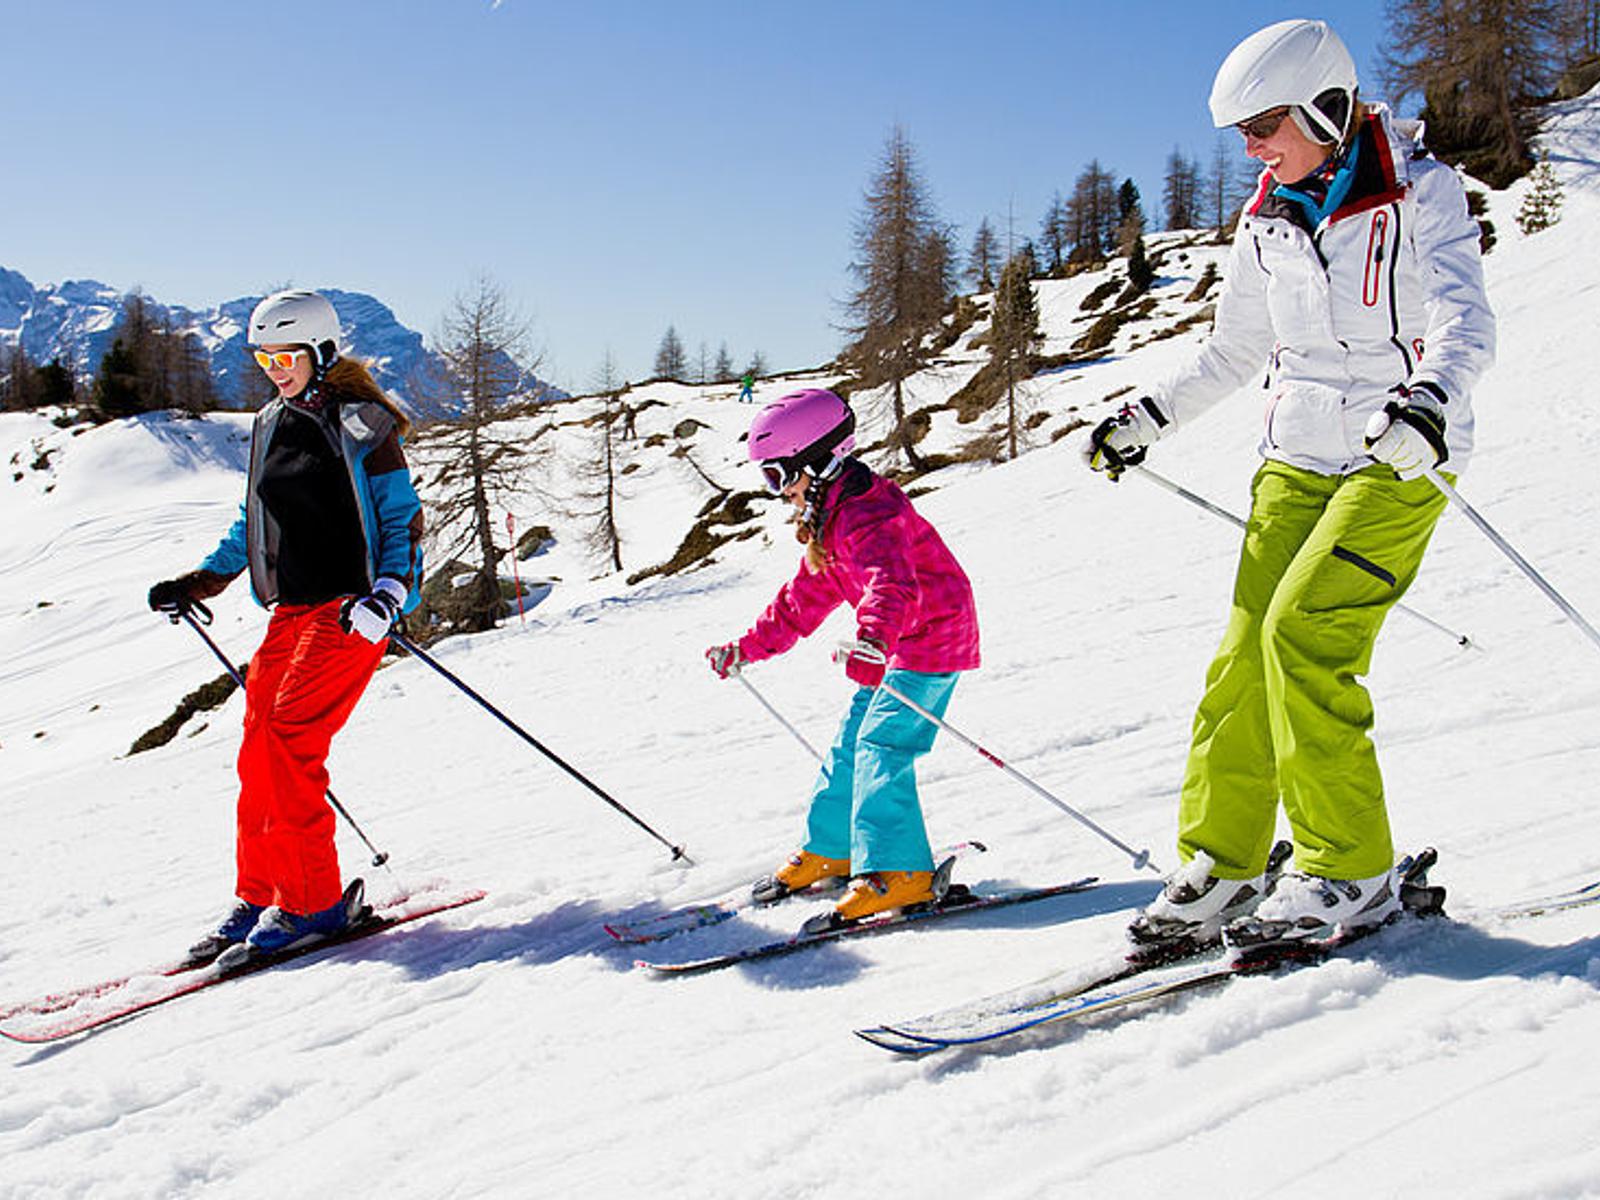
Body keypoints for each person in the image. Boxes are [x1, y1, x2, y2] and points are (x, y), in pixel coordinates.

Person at [1082, 19, 1494, 947]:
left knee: (1302, 636)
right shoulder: (1266, 216)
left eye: (1265, 124)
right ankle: (1224, 866)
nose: (1254, 147)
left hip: (1401, 452)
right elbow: (1235, 347)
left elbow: (1467, 320)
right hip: (1297, 457)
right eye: (1243, 133)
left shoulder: (1421, 193)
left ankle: (1350, 871)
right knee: (1241, 659)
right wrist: (1148, 415)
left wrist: (1430, 402)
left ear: (1327, 104)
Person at [148, 290, 425, 963]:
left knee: (289, 740)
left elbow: (403, 520)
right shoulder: (271, 421)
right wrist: (204, 579)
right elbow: (256, 519)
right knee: (256, 749)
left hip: (349, 612)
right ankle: (263, 892)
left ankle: (313, 905)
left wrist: (390, 595)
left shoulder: (364, 424)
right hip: (291, 611)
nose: (274, 367)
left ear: (322, 353)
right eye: (264, 356)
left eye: (287, 355)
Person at [705, 389, 980, 923]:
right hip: (895, 642)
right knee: (853, 743)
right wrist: (746, 649)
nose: (778, 493)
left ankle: (900, 873)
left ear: (820, 461)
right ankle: (833, 849)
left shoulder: (872, 513)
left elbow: (892, 581)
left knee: (883, 743)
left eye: (780, 476)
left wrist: (874, 640)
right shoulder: (832, 518)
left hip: (931, 635)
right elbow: (801, 601)